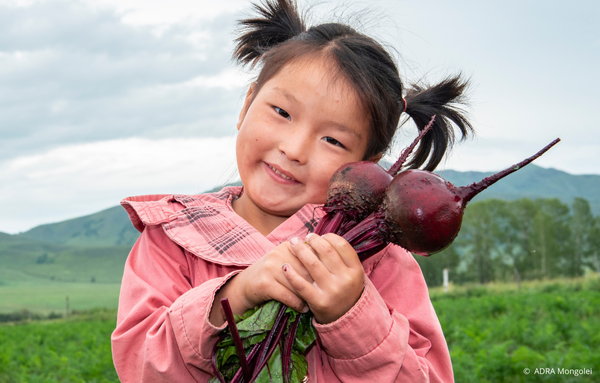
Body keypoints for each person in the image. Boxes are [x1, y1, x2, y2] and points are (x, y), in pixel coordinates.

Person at [111, 0, 473, 381]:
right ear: (247, 103)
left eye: (332, 140)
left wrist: (353, 316)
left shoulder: (380, 262)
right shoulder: (172, 238)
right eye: (282, 113)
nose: (294, 149)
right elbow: (140, 365)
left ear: (368, 165)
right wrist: (234, 296)